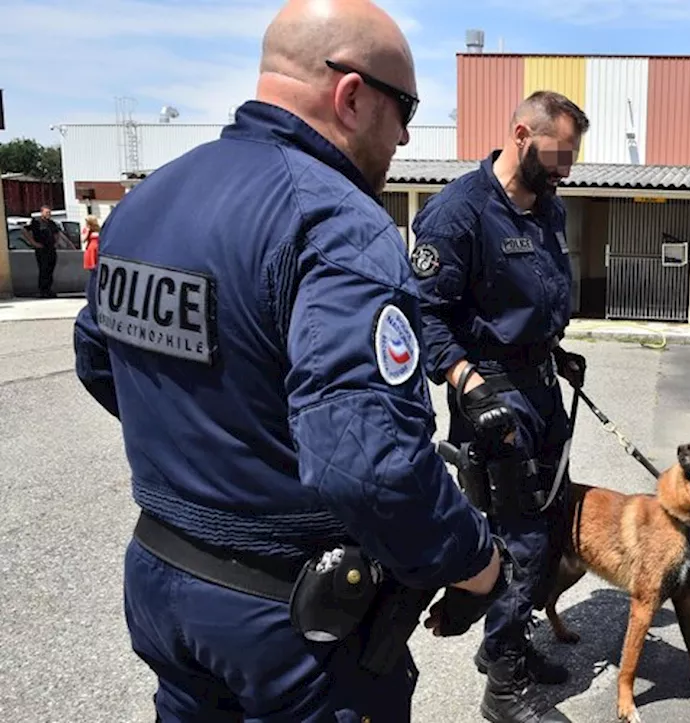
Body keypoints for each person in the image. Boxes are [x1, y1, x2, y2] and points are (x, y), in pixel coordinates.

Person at [71, 1, 509, 720]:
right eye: (404, 108)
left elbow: (99, 360)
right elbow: (368, 463)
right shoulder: (337, 222)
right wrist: (475, 558)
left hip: (160, 582)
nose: (403, 133)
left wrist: (224, 442)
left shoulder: (149, 200)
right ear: (352, 93)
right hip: (291, 625)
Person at [411, 90, 590, 723]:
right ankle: (503, 686)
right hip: (491, 393)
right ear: (520, 133)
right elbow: (425, 315)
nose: (567, 167)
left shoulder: (548, 208)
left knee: (548, 519)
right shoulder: (457, 214)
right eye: (559, 153)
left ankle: (510, 643)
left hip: (540, 382)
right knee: (517, 535)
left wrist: (554, 351)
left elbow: (538, 295)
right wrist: (468, 384)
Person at [23, 205, 68, 297]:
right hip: (42, 249)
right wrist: (33, 243)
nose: (48, 214)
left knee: (50, 269)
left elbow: (57, 233)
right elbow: (24, 230)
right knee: (43, 269)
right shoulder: (36, 222)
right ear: (42, 212)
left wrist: (56, 242)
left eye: (49, 212)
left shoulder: (52, 223)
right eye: (47, 212)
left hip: (51, 249)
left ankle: (49, 289)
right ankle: (43, 290)